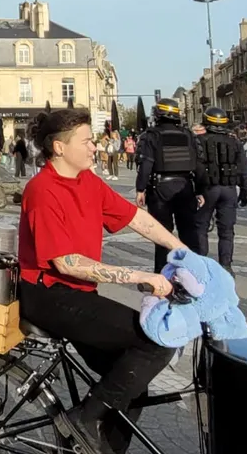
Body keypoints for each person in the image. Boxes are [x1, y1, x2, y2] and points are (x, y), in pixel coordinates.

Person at [17, 109, 185, 454]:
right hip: (49, 295)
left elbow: (135, 217)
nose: (95, 147)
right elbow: (67, 262)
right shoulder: (42, 190)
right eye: (87, 141)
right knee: (155, 342)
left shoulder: (87, 182)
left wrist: (183, 251)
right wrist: (139, 276)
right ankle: (81, 420)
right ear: (59, 148)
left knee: (132, 385)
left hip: (78, 293)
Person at [134, 98, 202, 271]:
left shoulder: (152, 135)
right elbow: (199, 165)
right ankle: (194, 273)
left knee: (162, 235)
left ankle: (163, 275)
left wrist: (140, 189)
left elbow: (146, 164)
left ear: (158, 115)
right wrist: (200, 190)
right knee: (189, 233)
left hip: (159, 190)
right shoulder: (188, 135)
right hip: (186, 187)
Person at [194, 107, 247, 272]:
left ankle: (202, 265)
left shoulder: (197, 141)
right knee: (226, 230)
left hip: (206, 190)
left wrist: (195, 191)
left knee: (200, 227)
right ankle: (226, 266)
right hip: (229, 189)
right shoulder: (235, 142)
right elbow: (243, 169)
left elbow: (194, 168)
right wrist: (245, 191)